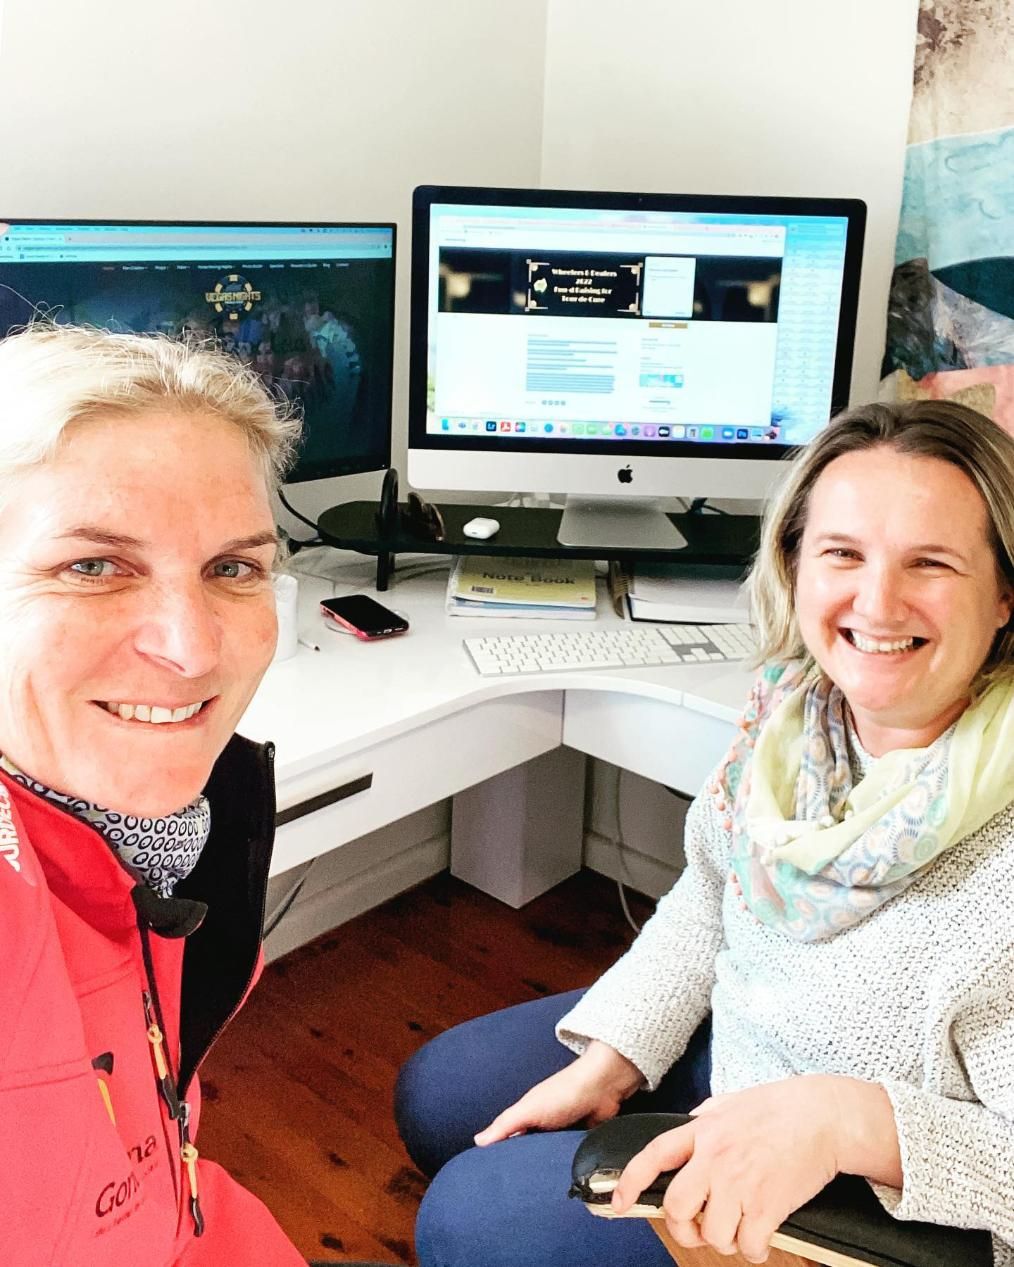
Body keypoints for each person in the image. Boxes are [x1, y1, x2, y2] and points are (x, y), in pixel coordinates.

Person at [395, 399, 1014, 1267]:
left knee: (465, 1217)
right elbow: (713, 891)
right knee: (436, 1097)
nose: (877, 601)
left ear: (1003, 594)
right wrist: (616, 1056)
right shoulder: (793, 721)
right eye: (843, 553)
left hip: (859, 1182)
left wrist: (847, 1120)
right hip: (745, 1048)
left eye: (931, 562)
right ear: (794, 564)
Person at [0, 324, 391, 1267]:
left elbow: (158, 1183)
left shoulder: (163, 844)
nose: (192, 649)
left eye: (233, 568)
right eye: (93, 566)